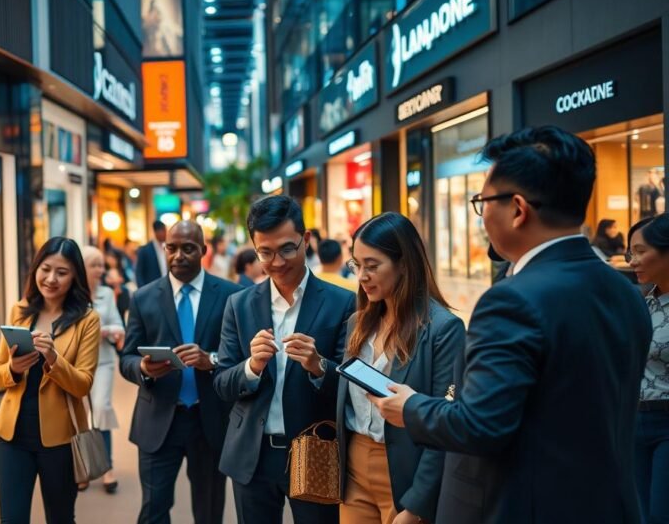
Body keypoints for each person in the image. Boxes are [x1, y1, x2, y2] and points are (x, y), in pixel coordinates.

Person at [371, 126, 653, 523]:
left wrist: (410, 407)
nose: (481, 214)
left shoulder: (512, 300)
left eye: (482, 201)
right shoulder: (624, 290)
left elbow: (482, 425)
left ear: (518, 209)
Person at [214, 195, 356, 524]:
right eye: (265, 252)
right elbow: (222, 382)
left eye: (287, 248)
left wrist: (319, 367)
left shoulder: (342, 303)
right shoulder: (239, 304)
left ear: (306, 240)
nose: (277, 261)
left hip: (315, 450)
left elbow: (352, 384)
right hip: (253, 454)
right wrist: (251, 367)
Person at [318, 213, 464, 524]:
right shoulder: (359, 322)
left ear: (404, 264)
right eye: (357, 266)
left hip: (405, 472)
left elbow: (444, 424)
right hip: (354, 468)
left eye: (372, 266)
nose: (362, 276)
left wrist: (417, 505)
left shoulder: (443, 329)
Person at [120, 221, 242, 524]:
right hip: (159, 419)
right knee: (153, 510)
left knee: (210, 511)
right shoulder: (144, 297)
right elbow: (126, 358)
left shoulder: (231, 295)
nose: (178, 255)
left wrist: (210, 359)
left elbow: (240, 357)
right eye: (171, 248)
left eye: (188, 248)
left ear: (203, 250)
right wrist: (144, 368)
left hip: (210, 420)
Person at [0, 237, 101, 524]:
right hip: (13, 437)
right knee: (11, 519)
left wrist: (54, 359)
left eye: (62, 273)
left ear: (75, 275)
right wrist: (13, 369)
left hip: (60, 440)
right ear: (35, 269)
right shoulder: (20, 310)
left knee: (61, 518)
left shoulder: (87, 320)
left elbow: (83, 384)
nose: (51, 279)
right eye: (45, 269)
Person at [627, 215, 669, 523]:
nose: (632, 261)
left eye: (640, 251)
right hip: (632, 421)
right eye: (630, 253)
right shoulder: (641, 301)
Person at [82, 245, 125, 493]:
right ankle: (86, 467)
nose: (100, 270)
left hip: (104, 361)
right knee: (82, 416)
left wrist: (108, 331)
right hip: (77, 364)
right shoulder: (71, 295)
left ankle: (107, 467)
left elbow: (118, 325)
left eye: (101, 265)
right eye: (94, 265)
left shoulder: (107, 294)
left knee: (101, 409)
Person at [135, 221, 168, 287]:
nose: (166, 234)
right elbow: (139, 273)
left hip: (166, 286)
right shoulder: (144, 250)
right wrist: (143, 291)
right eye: (164, 231)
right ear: (157, 232)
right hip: (151, 287)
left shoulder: (167, 248)